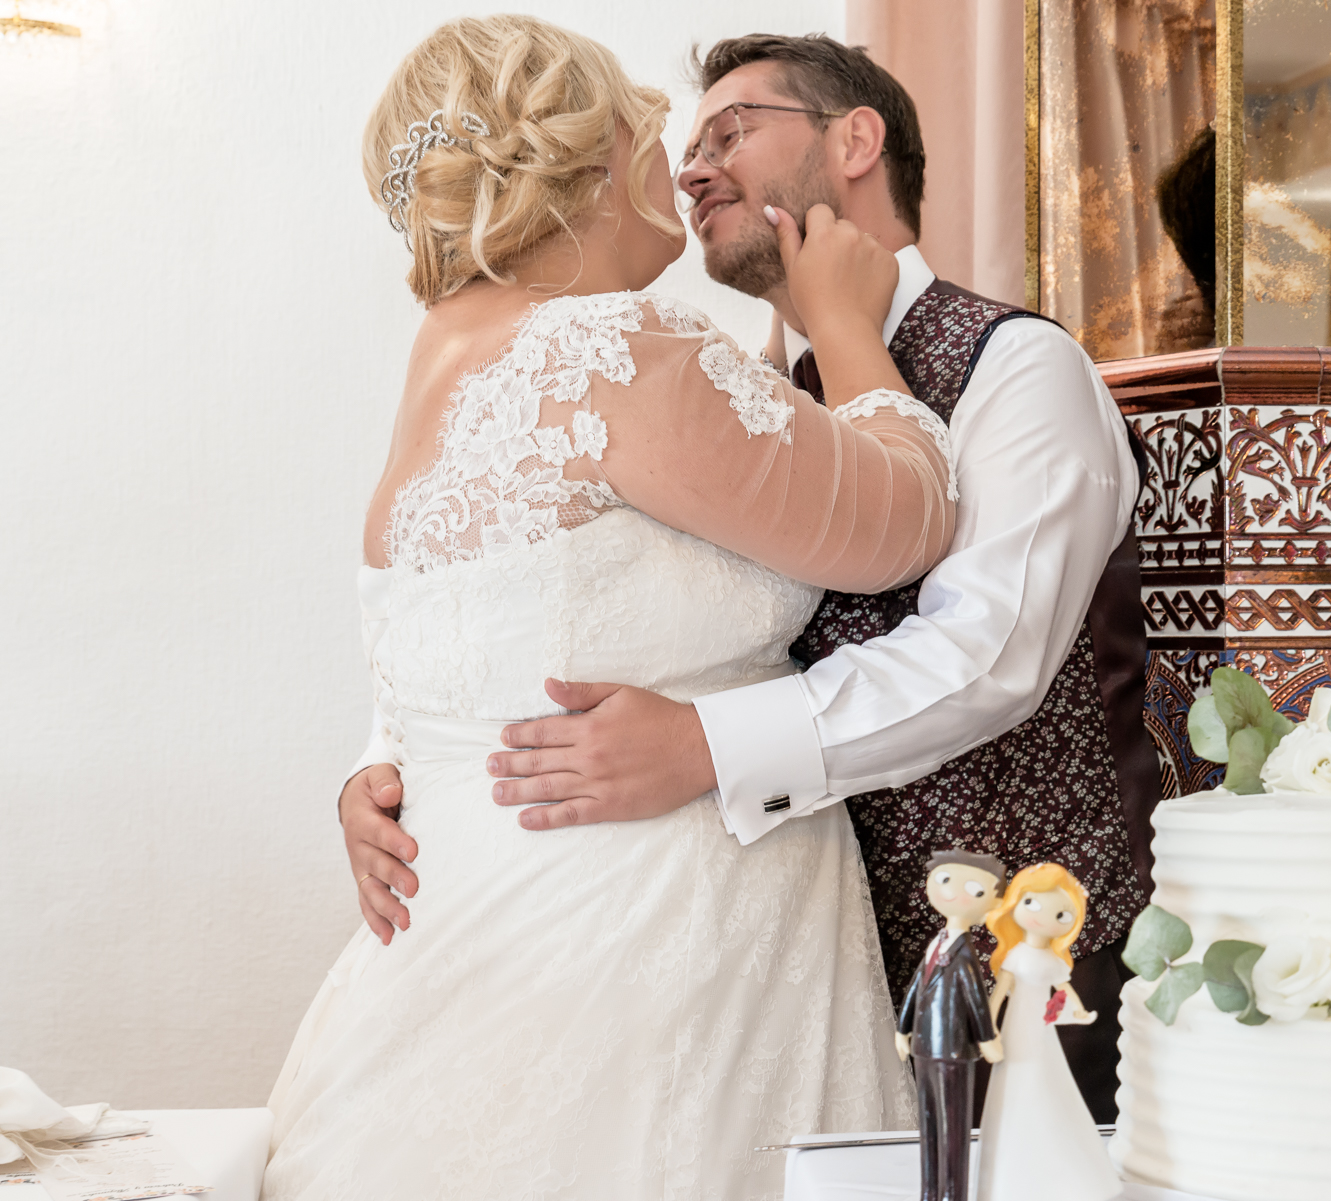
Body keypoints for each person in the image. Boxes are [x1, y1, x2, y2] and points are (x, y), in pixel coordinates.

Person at [338, 32, 1160, 1121]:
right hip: (733, 970)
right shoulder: (714, 384)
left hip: (1013, 961)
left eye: (732, 130)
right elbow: (527, 596)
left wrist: (704, 745)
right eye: (679, 142)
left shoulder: (1017, 365)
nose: (687, 166)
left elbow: (988, 657)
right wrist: (393, 763)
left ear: (856, 140)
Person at [266, 16, 959, 1200]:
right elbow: (904, 521)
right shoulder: (619, 352)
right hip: (648, 965)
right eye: (659, 135)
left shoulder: (442, 358)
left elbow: (467, 644)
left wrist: (375, 769)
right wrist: (844, 320)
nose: (683, 171)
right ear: (594, 165)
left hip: (469, 942)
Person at [976, 863, 1120, 1201]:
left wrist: (1079, 1010)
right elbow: (997, 998)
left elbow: (1063, 989)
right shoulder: (1014, 955)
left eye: (1060, 914)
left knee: (1047, 1081)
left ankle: (1056, 1159)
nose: (1041, 916)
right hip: (1016, 1030)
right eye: (1032, 903)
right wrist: (989, 1030)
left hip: (1041, 1031)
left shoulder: (1053, 960)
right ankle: (1012, 1163)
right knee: (1014, 1084)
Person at [895, 851, 1007, 1201]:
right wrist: (903, 1030)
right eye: (945, 881)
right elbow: (916, 988)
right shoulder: (937, 944)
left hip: (955, 1050)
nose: (955, 894)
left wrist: (986, 1038)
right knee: (928, 1123)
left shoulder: (965, 955)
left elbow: (976, 998)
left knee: (953, 1126)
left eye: (973, 889)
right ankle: (930, 1189)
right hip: (924, 1046)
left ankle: (952, 1194)